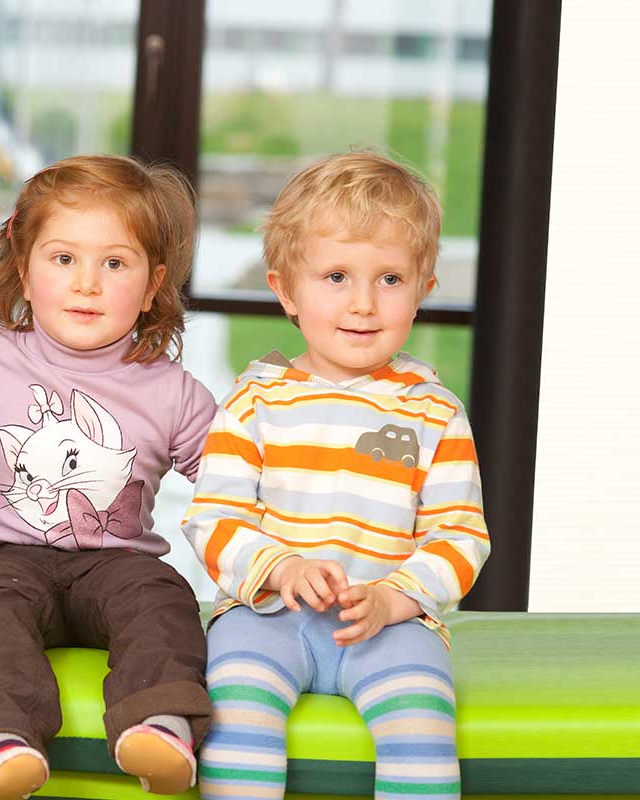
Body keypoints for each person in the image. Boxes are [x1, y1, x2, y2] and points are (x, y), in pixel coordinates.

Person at [183, 151, 490, 800]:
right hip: (265, 614)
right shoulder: (256, 400)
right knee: (234, 713)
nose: (362, 303)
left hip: (391, 624)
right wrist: (280, 568)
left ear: (423, 290)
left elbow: (460, 535)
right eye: (335, 276)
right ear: (286, 289)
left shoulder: (434, 409)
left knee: (422, 725)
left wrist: (394, 597)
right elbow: (213, 517)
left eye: (389, 279)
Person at [0, 155, 216, 798]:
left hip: (115, 563)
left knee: (163, 597)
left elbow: (234, 487)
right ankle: (2, 742)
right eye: (64, 259)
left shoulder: (172, 392)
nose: (87, 283)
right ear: (24, 270)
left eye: (115, 264)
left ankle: (161, 725)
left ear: (152, 287)